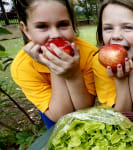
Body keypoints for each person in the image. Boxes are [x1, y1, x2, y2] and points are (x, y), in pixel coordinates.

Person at [10, 0, 97, 129]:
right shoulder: (23, 67)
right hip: (54, 113)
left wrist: (73, 75)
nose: (55, 34)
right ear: (26, 30)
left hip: (85, 112)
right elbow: (60, 116)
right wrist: (54, 68)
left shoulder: (89, 54)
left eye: (63, 24)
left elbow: (84, 109)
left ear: (73, 24)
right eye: (42, 26)